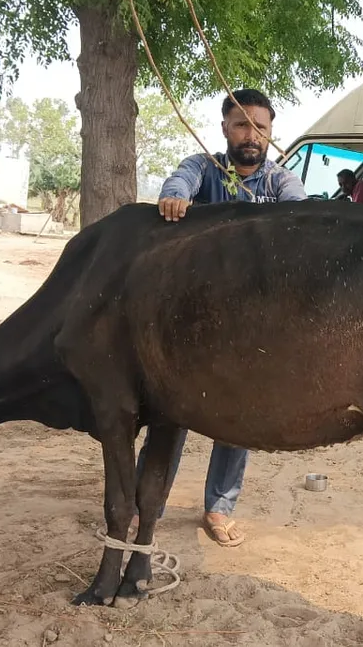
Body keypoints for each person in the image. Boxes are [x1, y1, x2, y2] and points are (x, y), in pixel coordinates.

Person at [145, 88, 307, 547]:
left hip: (248, 327)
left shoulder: (279, 181)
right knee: (168, 412)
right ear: (224, 129)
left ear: (272, 135)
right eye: (241, 124)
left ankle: (219, 508)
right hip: (190, 322)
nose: (251, 134)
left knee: (238, 416)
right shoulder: (203, 168)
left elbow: (304, 212)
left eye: (261, 127)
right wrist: (174, 200)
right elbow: (177, 184)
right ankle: (148, 503)